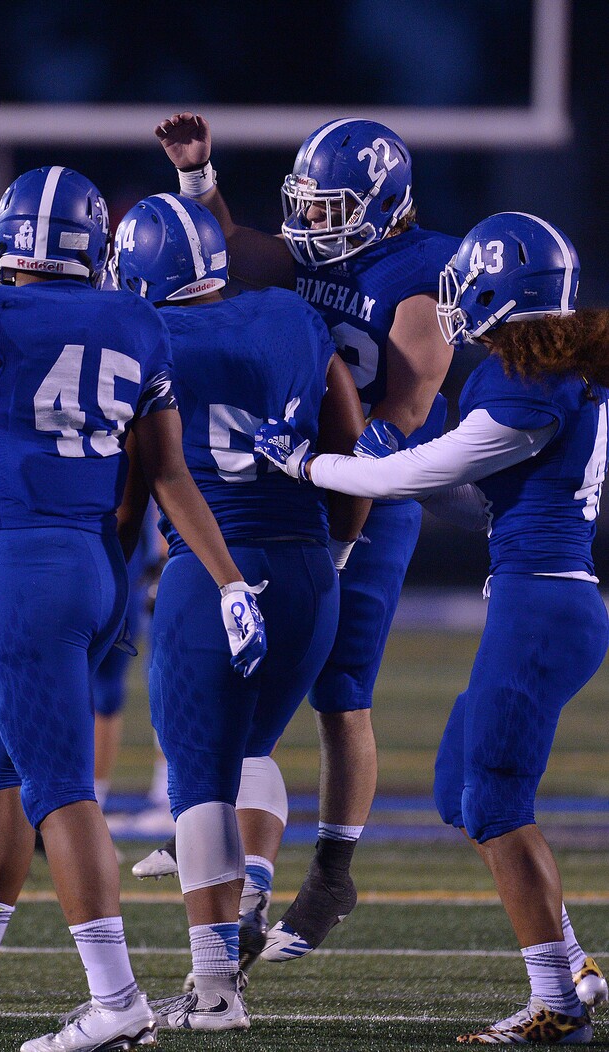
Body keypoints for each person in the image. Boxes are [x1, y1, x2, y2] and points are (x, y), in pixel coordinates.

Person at [0, 165, 267, 1052]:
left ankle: (116, 1000)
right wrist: (227, 581)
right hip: (100, 569)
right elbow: (169, 473)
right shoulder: (135, 321)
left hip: (28, 568)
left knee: (61, 791)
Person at [255, 211, 609, 1043]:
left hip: (545, 605)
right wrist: (374, 468)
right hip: (538, 598)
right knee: (458, 785)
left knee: (492, 800)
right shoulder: (547, 375)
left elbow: (422, 467)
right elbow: (460, 491)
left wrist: (310, 463)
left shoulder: (529, 384)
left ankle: (555, 1002)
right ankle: (572, 969)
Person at [137, 111, 459, 960]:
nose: (313, 223)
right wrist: (198, 181)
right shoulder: (300, 259)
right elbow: (222, 252)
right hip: (288, 485)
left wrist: (337, 484)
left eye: (332, 208)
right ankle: (237, 865)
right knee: (249, 689)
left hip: (368, 492)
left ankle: (331, 871)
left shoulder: (420, 273)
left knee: (339, 690)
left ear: (385, 204)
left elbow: (407, 408)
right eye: (307, 206)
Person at [110, 192, 369, 1029]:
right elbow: (347, 434)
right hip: (306, 566)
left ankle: (215, 986)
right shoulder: (291, 315)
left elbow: (136, 481)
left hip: (213, 568)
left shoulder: (147, 336)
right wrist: (334, 550)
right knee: (250, 747)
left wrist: (112, 573)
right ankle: (247, 881)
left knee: (197, 782)